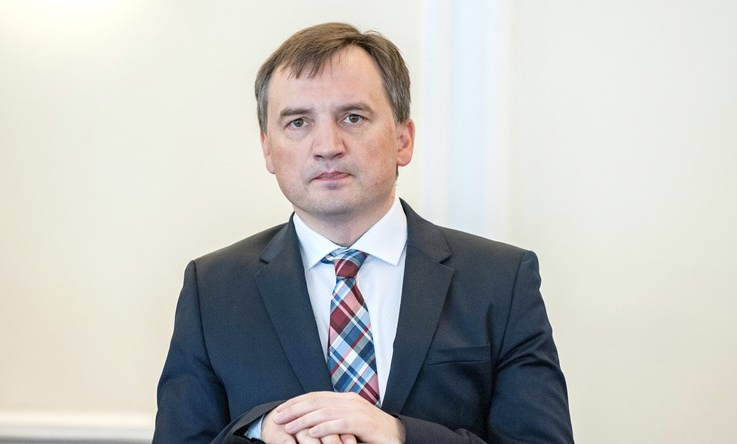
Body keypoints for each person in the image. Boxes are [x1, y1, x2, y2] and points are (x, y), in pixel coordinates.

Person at [153, 22, 572, 444]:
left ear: (403, 140)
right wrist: (261, 434)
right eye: (298, 122)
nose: (327, 145)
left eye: (352, 117)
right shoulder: (212, 289)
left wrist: (402, 436)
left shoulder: (502, 280)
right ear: (268, 149)